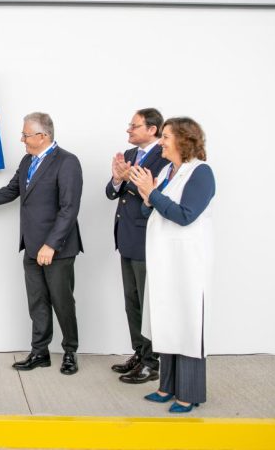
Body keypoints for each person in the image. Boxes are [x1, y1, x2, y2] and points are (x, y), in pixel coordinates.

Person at [0, 112, 83, 375]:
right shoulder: (28, 160)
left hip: (57, 249)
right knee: (37, 301)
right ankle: (39, 352)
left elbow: (69, 209)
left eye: (26, 135)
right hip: (30, 245)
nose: (22, 139)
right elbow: (11, 191)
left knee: (62, 301)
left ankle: (70, 352)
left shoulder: (67, 162)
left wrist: (51, 244)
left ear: (43, 136)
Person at [130, 117, 215, 413]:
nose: (161, 142)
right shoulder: (168, 170)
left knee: (187, 325)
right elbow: (148, 209)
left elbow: (185, 214)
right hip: (164, 260)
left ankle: (188, 394)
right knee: (166, 320)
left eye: (165, 137)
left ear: (183, 140)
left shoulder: (201, 173)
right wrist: (148, 194)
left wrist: (151, 194)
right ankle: (166, 386)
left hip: (187, 265)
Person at [106, 108, 168, 384]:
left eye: (134, 126)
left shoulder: (164, 156)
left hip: (147, 239)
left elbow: (154, 192)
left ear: (152, 129)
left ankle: (151, 362)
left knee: (147, 303)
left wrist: (129, 178)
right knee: (132, 302)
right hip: (126, 237)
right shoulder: (129, 156)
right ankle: (139, 353)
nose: (128, 130)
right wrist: (118, 178)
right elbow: (111, 193)